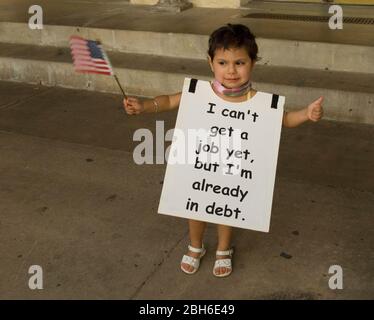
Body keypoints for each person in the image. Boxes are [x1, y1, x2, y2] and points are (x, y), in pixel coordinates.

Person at [123, 24, 324, 278]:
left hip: (233, 167)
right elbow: (169, 101)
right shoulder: (199, 93)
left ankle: (223, 248)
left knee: (227, 206)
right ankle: (195, 246)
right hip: (198, 163)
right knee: (194, 206)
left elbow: (284, 120)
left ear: (253, 63)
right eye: (223, 62)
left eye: (239, 62)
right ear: (211, 63)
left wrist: (307, 114)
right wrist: (145, 105)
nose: (231, 70)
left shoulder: (258, 102)